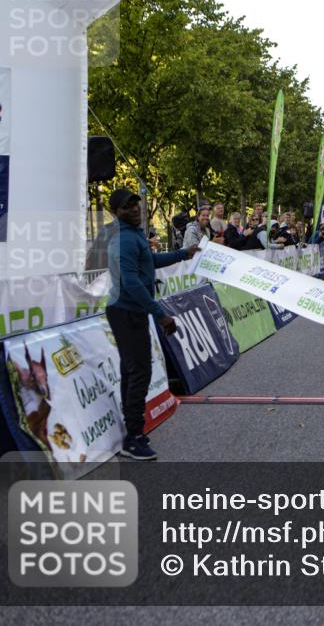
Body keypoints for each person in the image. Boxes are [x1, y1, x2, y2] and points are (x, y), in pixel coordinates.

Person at [105, 189, 199, 460]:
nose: (135, 209)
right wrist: (159, 313)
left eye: (136, 204)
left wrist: (184, 254)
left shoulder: (135, 235)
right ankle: (132, 438)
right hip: (126, 312)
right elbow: (130, 281)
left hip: (130, 311)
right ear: (116, 212)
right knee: (140, 372)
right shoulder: (122, 239)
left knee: (132, 370)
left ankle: (131, 432)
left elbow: (151, 261)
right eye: (127, 207)